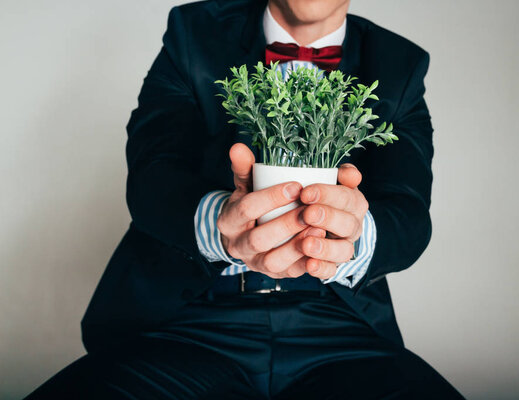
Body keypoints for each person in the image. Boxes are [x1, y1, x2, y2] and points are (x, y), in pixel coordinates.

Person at [26, 0, 465, 398]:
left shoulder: (400, 62)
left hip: (337, 326)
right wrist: (222, 224)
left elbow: (407, 212)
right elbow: (151, 173)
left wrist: (349, 238)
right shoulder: (194, 30)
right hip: (189, 321)